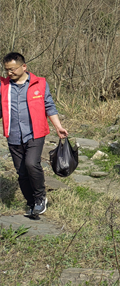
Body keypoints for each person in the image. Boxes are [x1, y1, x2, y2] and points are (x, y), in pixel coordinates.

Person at [0, 52, 68, 217]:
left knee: (31, 164)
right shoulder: (3, 85)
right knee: (22, 172)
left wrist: (58, 127)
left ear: (24, 66)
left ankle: (40, 198)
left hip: (35, 133)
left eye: (13, 69)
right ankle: (31, 203)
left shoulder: (40, 83)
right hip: (13, 134)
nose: (10, 72)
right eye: (7, 70)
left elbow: (49, 106)